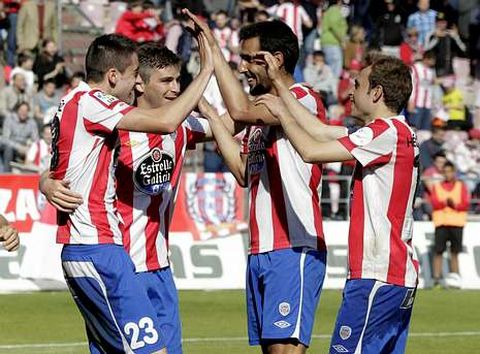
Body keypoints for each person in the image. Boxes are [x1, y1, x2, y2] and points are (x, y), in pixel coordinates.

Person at [39, 32, 213, 354]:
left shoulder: (71, 103)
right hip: (97, 247)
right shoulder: (93, 102)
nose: (136, 84)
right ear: (113, 76)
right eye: (134, 75)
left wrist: (45, 181)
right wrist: (205, 72)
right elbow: (166, 121)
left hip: (93, 251)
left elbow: (59, 164)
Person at [255, 53, 419, 353]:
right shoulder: (398, 132)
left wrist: (281, 115)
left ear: (377, 92)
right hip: (396, 274)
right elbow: (317, 130)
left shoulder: (383, 132)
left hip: (377, 274)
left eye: (357, 85)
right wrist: (280, 86)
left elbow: (310, 150)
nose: (349, 92)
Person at [184, 10, 327, 354]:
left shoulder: (301, 98)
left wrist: (214, 54)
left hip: (294, 245)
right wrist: (202, 106)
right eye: (241, 59)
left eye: (250, 59)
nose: (243, 67)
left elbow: (239, 113)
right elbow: (241, 168)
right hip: (261, 250)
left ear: (275, 60)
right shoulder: (260, 113)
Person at [430, 161, 470, 288]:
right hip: (441, 223)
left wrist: (454, 205)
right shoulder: (437, 187)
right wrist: (446, 203)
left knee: (455, 253)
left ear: (454, 172)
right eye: (445, 172)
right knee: (439, 251)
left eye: (450, 171)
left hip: (456, 223)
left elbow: (465, 204)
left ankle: (455, 279)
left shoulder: (461, 186)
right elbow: (434, 203)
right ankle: (436, 279)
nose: (447, 174)